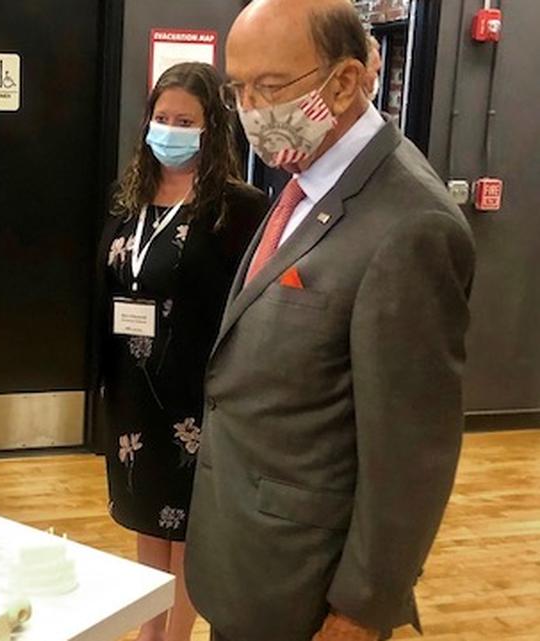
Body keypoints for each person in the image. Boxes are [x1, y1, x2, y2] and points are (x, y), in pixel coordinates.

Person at [184, 2, 477, 641]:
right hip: (248, 564)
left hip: (308, 595)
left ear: (344, 81)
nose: (252, 109)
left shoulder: (410, 225)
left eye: (269, 86)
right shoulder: (304, 179)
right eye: (238, 89)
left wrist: (362, 609)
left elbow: (411, 451)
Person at [98, 62, 267, 641]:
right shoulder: (130, 198)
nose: (169, 130)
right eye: (161, 118)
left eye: (185, 121)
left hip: (197, 394)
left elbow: (247, 306)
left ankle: (177, 635)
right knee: (148, 515)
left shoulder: (239, 208)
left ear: (212, 128)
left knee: (190, 525)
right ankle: (150, 629)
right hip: (132, 387)